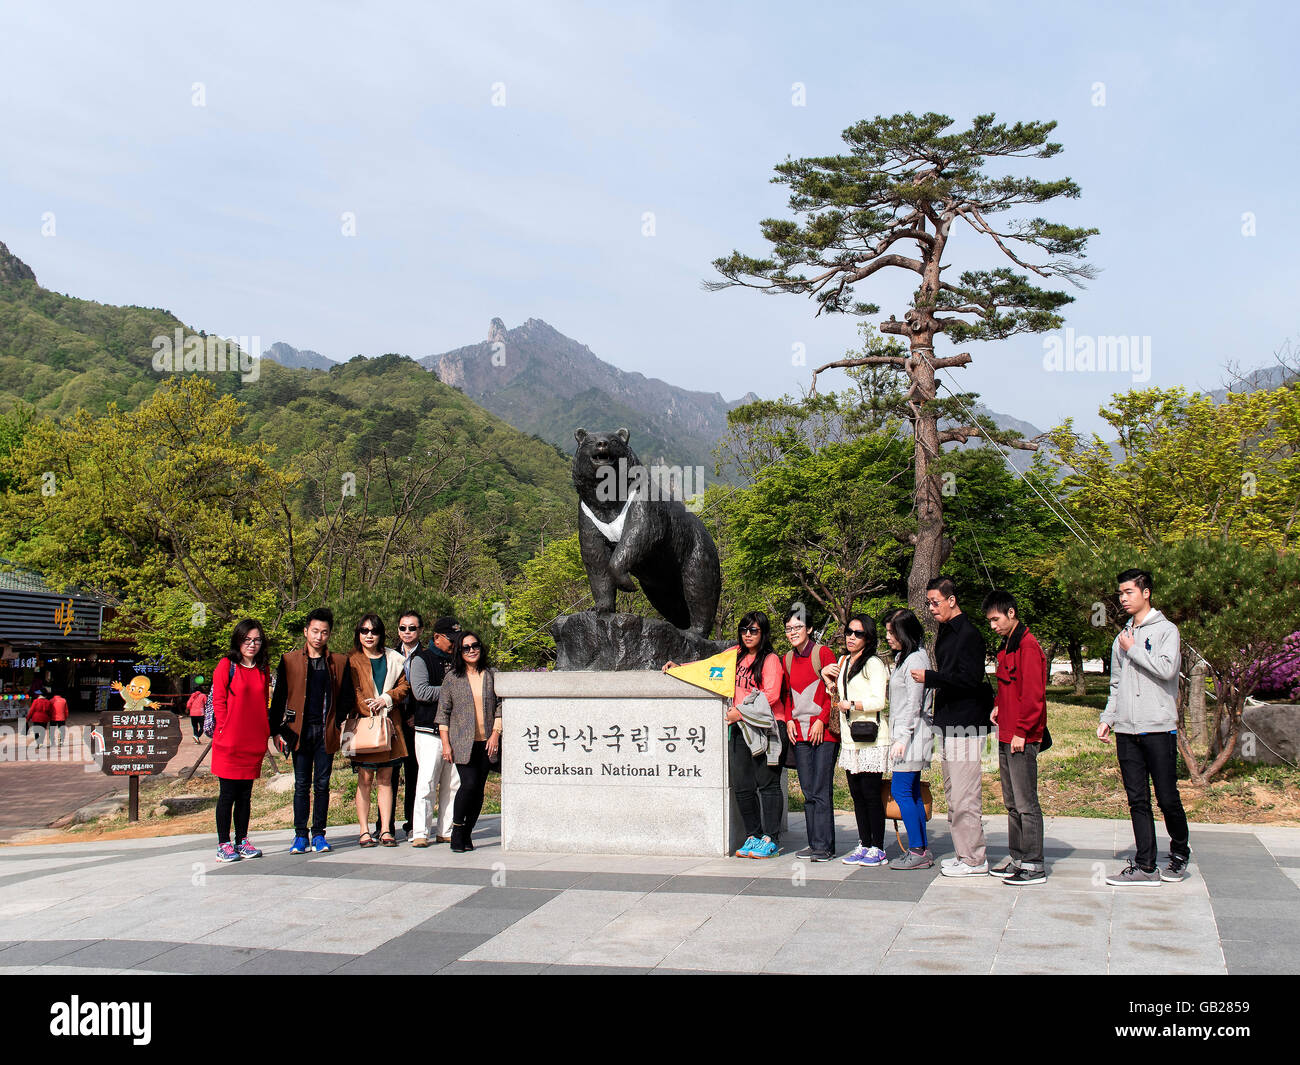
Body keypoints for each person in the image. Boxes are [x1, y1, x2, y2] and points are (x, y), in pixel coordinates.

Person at [1098, 568, 1190, 886]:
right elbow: (1116, 684)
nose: (1123, 598)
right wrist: (1108, 719)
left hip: (1158, 727)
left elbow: (1167, 670)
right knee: (1137, 798)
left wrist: (1133, 648)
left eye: (1129, 592)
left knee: (1167, 797)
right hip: (1127, 729)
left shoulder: (1166, 631)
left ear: (1145, 592)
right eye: (1120, 593)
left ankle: (1179, 852)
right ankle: (1145, 865)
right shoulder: (1122, 636)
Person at [668, 611, 785, 859]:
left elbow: (771, 694)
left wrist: (740, 713)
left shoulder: (771, 660)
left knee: (768, 785)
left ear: (763, 633)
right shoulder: (734, 656)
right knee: (743, 786)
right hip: (740, 730)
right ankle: (753, 835)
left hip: (765, 729)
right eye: (744, 630)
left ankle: (771, 839)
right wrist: (680, 669)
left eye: (753, 630)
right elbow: (709, 668)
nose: (748, 635)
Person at [912, 576, 990, 877]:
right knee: (952, 791)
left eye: (935, 602)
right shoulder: (945, 632)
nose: (931, 608)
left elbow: (969, 680)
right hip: (948, 722)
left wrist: (931, 678)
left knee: (965, 794)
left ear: (951, 599)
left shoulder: (969, 634)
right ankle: (963, 852)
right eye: (929, 603)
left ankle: (974, 858)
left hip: (967, 722)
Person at [268, 608, 356, 854]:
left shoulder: (339, 661)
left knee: (323, 784)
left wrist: (338, 723)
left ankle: (319, 834)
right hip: (299, 733)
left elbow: (347, 696)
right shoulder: (289, 660)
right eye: (315, 631)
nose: (319, 636)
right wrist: (275, 730)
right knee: (301, 784)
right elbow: (280, 698)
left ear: (329, 634)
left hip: (326, 732)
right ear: (306, 631)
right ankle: (299, 835)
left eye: (324, 632)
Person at [984, 590, 1048, 886]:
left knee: (1026, 802)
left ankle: (1034, 863)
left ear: (1011, 613)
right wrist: (998, 704)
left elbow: (1034, 695)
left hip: (1022, 735)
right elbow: (1008, 684)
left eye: (996, 619)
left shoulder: (1028, 645)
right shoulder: (1007, 644)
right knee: (1011, 802)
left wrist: (1022, 731)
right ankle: (1018, 856)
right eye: (990, 621)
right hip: (1006, 732)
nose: (993, 625)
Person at [822, 614, 891, 867]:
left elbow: (879, 701)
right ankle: (864, 843)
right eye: (849, 632)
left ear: (868, 637)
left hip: (871, 737)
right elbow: (838, 694)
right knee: (856, 794)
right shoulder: (843, 661)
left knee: (872, 794)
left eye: (858, 633)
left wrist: (852, 704)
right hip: (851, 738)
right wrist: (826, 677)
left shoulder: (873, 663)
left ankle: (878, 847)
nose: (851, 637)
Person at [346, 614, 411, 848]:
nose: (369, 635)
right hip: (365, 727)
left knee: (386, 779)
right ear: (359, 634)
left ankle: (385, 829)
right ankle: (364, 830)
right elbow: (352, 690)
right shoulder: (351, 660)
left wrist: (385, 699)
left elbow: (405, 686)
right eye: (364, 631)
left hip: (389, 726)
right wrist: (367, 706)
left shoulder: (394, 659)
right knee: (364, 779)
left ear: (381, 633)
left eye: (373, 631)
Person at [211, 619, 272, 863]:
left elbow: (263, 702)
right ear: (238, 640)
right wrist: (225, 728)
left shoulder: (262, 668)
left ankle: (242, 840)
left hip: (253, 742)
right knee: (227, 794)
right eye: (247, 639)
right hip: (229, 743)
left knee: (246, 795)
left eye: (256, 640)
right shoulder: (227, 665)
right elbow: (218, 701)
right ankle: (223, 843)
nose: (252, 644)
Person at [436, 630, 501, 853]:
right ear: (460, 652)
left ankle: (468, 832)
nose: (472, 650)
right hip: (462, 742)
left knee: (479, 790)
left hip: (487, 742)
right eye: (466, 648)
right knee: (469, 785)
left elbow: (501, 705)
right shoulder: (452, 678)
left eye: (475, 646)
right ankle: (457, 828)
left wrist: (496, 733)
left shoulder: (492, 674)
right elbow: (443, 713)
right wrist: (446, 744)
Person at [783, 606, 840, 862]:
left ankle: (825, 846)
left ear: (810, 630)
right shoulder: (787, 659)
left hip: (824, 734)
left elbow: (834, 690)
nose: (792, 633)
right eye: (788, 629)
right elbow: (786, 696)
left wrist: (822, 720)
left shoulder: (823, 653)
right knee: (807, 790)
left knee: (820, 789)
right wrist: (788, 721)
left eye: (797, 628)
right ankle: (813, 842)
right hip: (800, 733)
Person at [886, 608, 937, 870]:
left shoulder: (915, 661)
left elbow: (914, 705)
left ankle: (917, 850)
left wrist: (903, 738)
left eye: (891, 632)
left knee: (901, 791)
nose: (888, 637)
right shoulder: (906, 658)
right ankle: (921, 849)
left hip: (911, 737)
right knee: (913, 793)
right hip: (910, 735)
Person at [408, 617, 462, 846]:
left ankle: (446, 829)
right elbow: (421, 692)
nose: (454, 645)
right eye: (451, 640)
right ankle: (420, 832)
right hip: (428, 731)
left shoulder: (460, 660)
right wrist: (452, 690)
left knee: (453, 784)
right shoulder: (421, 659)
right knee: (427, 781)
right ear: (437, 638)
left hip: (456, 731)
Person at [374, 610, 426, 840]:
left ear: (420, 631)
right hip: (391, 720)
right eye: (403, 628)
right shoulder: (388, 655)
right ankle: (384, 824)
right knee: (388, 774)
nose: (407, 632)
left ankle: (414, 823)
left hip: (416, 722)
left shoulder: (427, 656)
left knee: (414, 773)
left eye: (412, 628)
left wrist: (419, 714)